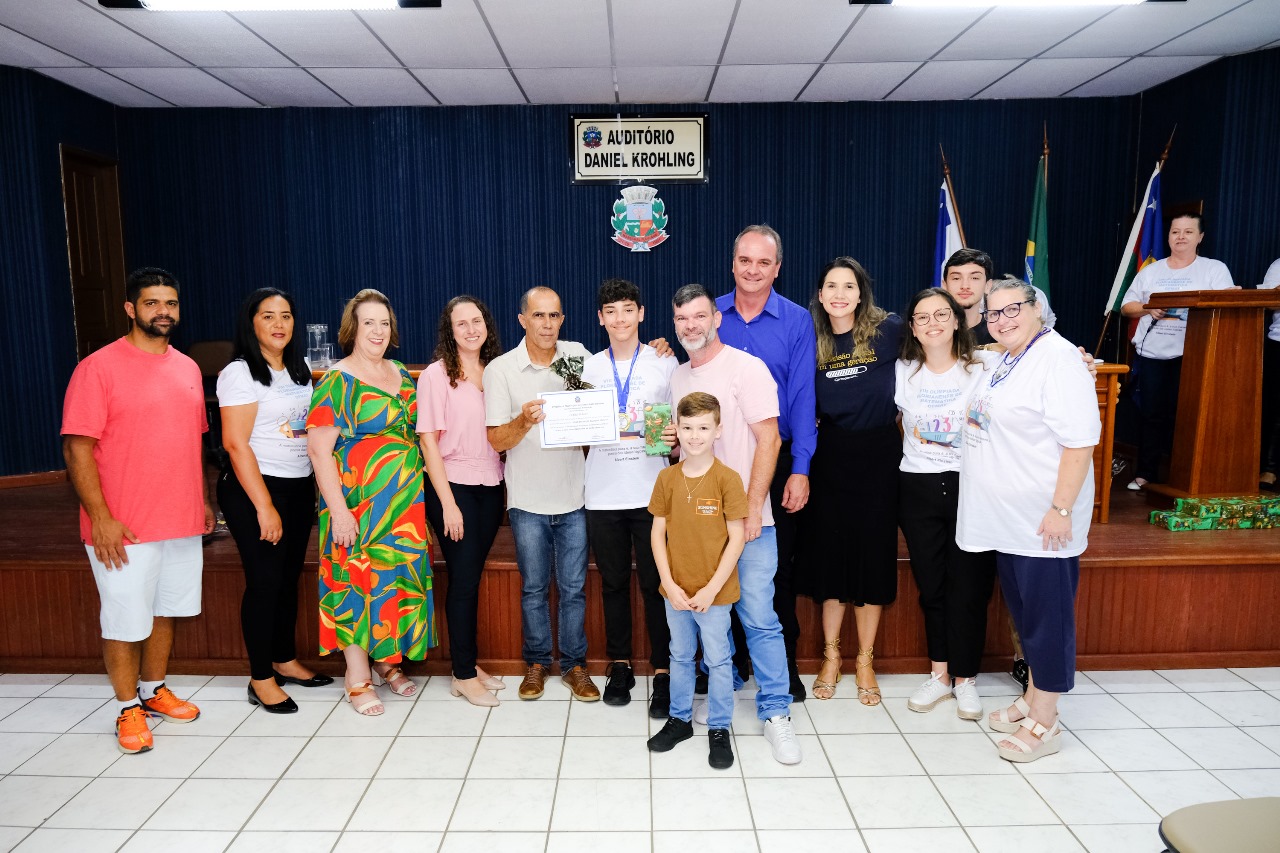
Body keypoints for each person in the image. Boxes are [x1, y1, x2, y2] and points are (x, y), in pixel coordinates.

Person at [62, 267, 215, 754]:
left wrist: (203, 501)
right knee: (126, 620)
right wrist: (101, 516)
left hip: (180, 519)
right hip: (123, 525)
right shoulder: (98, 367)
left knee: (166, 611)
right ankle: (127, 707)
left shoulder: (188, 368)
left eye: (170, 303)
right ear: (131, 309)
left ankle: (154, 691)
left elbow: (192, 443)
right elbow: (76, 449)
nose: (163, 312)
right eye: (152, 303)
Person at [958, 279, 1100, 763]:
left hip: (1044, 523)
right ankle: (1031, 699)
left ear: (1038, 308)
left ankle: (1048, 719)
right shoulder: (1007, 356)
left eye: (1012, 309)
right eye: (993, 313)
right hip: (1009, 520)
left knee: (1047, 620)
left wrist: (1061, 510)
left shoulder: (1059, 360)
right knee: (1025, 615)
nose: (1002, 319)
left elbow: (1080, 442)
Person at [667, 283, 801, 765]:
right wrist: (671, 443)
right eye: (682, 319)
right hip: (699, 529)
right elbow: (689, 447)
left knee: (760, 619)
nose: (691, 326)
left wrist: (749, 511)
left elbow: (769, 441)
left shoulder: (748, 369)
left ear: (716, 318)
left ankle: (776, 713)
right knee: (708, 621)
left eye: (699, 316)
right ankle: (718, 702)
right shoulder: (678, 377)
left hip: (750, 523)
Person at [306, 289, 434, 716]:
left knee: (392, 581)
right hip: (357, 506)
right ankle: (356, 675)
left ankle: (385, 661)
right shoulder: (336, 381)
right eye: (368, 323)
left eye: (384, 323)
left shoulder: (400, 371)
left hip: (402, 508)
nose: (378, 331)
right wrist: (339, 512)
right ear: (352, 330)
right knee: (355, 585)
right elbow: (319, 452)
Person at [217, 288, 331, 716]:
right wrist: (264, 506)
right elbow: (235, 443)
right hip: (255, 489)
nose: (279, 324)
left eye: (286, 315)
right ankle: (261, 676)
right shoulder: (239, 372)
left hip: (297, 486)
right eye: (268, 316)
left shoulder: (299, 367)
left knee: (285, 580)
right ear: (252, 323)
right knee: (265, 582)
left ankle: (284, 659)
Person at [715, 225, 816, 701]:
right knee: (723, 564)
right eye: (745, 261)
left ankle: (784, 665)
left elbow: (801, 396)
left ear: (777, 268)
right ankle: (733, 663)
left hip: (776, 465)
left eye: (764, 262)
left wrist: (801, 468)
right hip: (719, 466)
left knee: (778, 571)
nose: (753, 270)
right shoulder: (710, 316)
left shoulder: (796, 321)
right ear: (732, 264)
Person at [795, 258, 902, 706]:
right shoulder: (811, 339)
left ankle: (865, 660)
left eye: (849, 286)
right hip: (831, 459)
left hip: (879, 458)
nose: (839, 294)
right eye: (831, 286)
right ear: (820, 295)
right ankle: (832, 656)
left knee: (872, 561)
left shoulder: (891, 329)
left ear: (861, 293)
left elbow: (949, 344)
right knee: (832, 561)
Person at [485, 286, 600, 702]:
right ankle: (536, 664)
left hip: (574, 497)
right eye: (539, 316)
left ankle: (574, 666)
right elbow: (497, 440)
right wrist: (523, 420)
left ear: (562, 319)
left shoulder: (576, 357)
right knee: (534, 587)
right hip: (527, 501)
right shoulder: (501, 369)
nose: (547, 324)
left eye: (554, 316)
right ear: (523, 320)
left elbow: (598, 412)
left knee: (573, 588)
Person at [896, 288, 997, 720]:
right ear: (914, 329)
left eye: (942, 314)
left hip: (971, 487)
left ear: (958, 320)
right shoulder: (902, 370)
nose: (933, 323)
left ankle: (966, 678)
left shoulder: (986, 367)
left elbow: (1037, 356)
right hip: (917, 487)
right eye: (922, 317)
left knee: (970, 587)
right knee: (932, 586)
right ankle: (939, 674)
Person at [582, 279, 677, 713]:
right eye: (611, 311)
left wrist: (673, 438)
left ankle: (663, 670)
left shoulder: (664, 362)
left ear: (641, 313)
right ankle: (619, 665)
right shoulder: (587, 368)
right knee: (614, 585)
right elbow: (576, 429)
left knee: (655, 584)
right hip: (602, 494)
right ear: (600, 318)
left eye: (627, 309)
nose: (620, 318)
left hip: (652, 493)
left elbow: (677, 430)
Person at [646, 392, 746, 771]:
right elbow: (658, 534)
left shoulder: (727, 479)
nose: (694, 435)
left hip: (714, 594)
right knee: (680, 656)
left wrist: (710, 589)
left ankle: (719, 728)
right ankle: (679, 719)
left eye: (703, 427)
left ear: (718, 430)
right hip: (676, 591)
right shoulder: (667, 477)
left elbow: (736, 538)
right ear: (677, 429)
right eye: (687, 427)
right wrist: (669, 584)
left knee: (719, 660)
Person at [417, 296, 507, 707]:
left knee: (470, 579)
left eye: (477, 321)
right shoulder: (437, 375)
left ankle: (469, 664)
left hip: (492, 485)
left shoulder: (497, 370)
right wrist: (447, 503)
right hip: (453, 487)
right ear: (449, 332)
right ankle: (462, 673)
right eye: (461, 324)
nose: (471, 329)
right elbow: (429, 443)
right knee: (464, 580)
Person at [1120, 213, 1235, 490]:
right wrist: (1149, 307)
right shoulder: (1152, 271)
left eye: (1188, 232)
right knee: (1151, 415)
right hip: (1154, 355)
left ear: (1200, 237)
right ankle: (1146, 473)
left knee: (1188, 416)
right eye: (1175, 232)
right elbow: (1126, 306)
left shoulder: (1213, 269)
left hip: (1196, 357)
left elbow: (1228, 303)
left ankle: (1185, 476)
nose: (1180, 237)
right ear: (1168, 236)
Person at [943, 248, 1056, 347]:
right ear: (944, 285)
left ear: (988, 286)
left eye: (975, 278)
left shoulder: (1002, 329)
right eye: (956, 278)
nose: (965, 286)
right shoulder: (932, 330)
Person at [1258, 258, 1280, 491]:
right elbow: (1270, 302)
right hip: (1279, 343)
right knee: (1275, 410)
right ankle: (1269, 469)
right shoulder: (1278, 265)